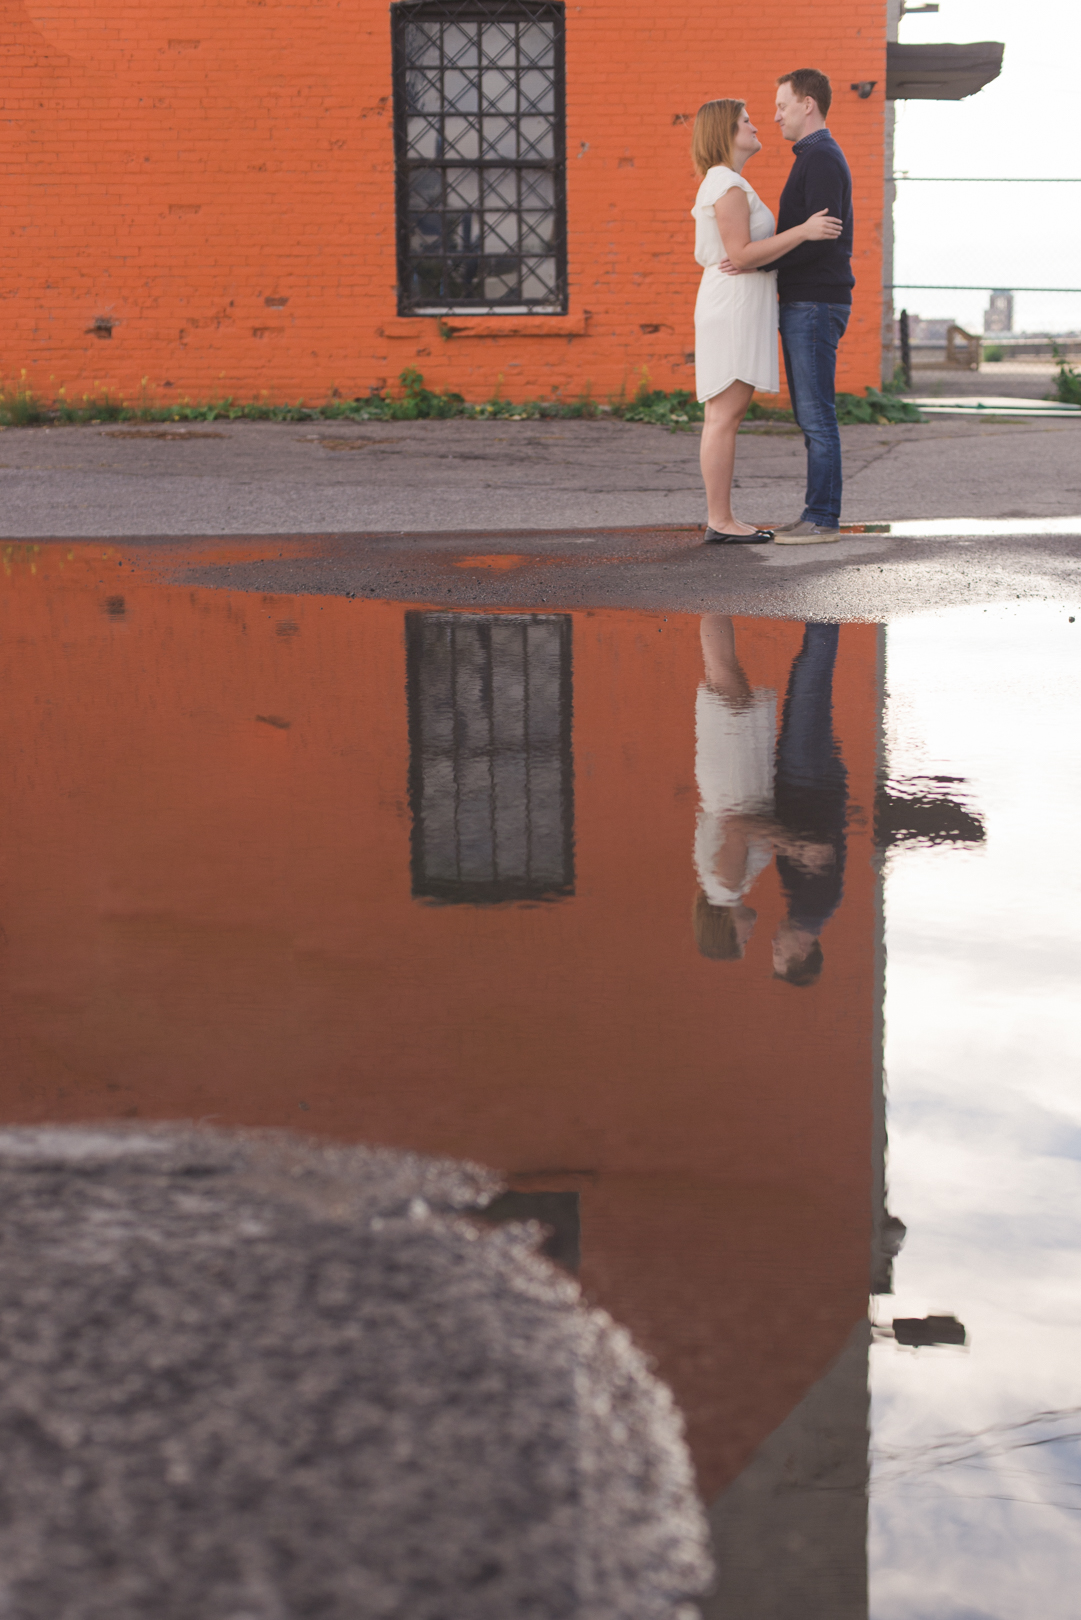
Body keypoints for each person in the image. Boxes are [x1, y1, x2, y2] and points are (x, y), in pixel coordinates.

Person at [690, 98, 842, 546]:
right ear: (725, 132)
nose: (758, 126)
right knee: (724, 415)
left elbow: (740, 254)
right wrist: (803, 231)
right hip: (733, 308)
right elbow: (739, 255)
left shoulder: (728, 182)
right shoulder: (727, 184)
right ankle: (721, 521)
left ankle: (722, 518)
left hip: (737, 303)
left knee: (723, 414)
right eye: (746, 121)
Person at [762, 70, 855, 544]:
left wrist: (762, 262)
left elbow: (822, 239)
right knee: (811, 415)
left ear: (808, 104)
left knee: (818, 416)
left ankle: (823, 520)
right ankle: (815, 513)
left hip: (816, 302)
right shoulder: (813, 156)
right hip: (810, 301)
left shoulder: (819, 156)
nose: (775, 115)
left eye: (782, 105)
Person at [692, 614, 777, 960]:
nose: (750, 936)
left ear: (725, 929)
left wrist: (791, 841)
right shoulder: (719, 887)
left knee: (726, 677)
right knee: (721, 677)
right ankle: (713, 597)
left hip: (734, 782)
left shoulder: (726, 888)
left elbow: (737, 829)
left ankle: (714, 594)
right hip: (723, 783)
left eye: (742, 941)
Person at [771, 623, 848, 985]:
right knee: (810, 682)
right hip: (809, 780)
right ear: (801, 952)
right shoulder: (814, 906)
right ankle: (825, 609)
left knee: (809, 683)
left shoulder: (807, 907)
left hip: (808, 780)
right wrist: (771, 839)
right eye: (779, 954)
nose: (773, 944)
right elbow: (819, 849)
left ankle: (822, 612)